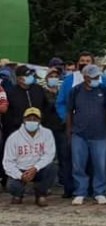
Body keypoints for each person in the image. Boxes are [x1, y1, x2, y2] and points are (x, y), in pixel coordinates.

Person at [66, 65, 106, 205]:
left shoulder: (104, 89)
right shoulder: (75, 91)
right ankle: (80, 192)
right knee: (78, 164)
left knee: (100, 164)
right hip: (79, 133)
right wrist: (69, 131)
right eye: (93, 77)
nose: (96, 79)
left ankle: (99, 191)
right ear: (85, 77)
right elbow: (69, 111)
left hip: (100, 134)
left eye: (98, 77)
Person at [2, 107, 56, 206]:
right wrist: (20, 175)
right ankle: (18, 195)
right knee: (11, 185)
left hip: (38, 169)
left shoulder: (47, 133)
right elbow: (8, 162)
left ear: (39, 120)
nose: (32, 121)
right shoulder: (14, 137)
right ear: (24, 120)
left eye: (35, 119)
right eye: (29, 119)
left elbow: (49, 154)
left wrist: (36, 168)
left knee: (52, 168)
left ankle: (40, 195)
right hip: (21, 169)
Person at [41, 67, 71, 198]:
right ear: (47, 78)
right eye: (51, 76)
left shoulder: (62, 91)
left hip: (61, 127)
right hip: (47, 128)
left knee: (64, 155)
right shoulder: (42, 92)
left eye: (56, 76)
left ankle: (64, 182)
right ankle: (47, 183)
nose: (53, 78)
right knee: (48, 157)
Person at [5, 65, 47, 135]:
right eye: (27, 75)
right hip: (18, 131)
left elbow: (46, 107)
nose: (30, 76)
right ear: (19, 79)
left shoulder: (38, 89)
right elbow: (8, 116)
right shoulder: (11, 93)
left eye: (31, 74)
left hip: (39, 129)